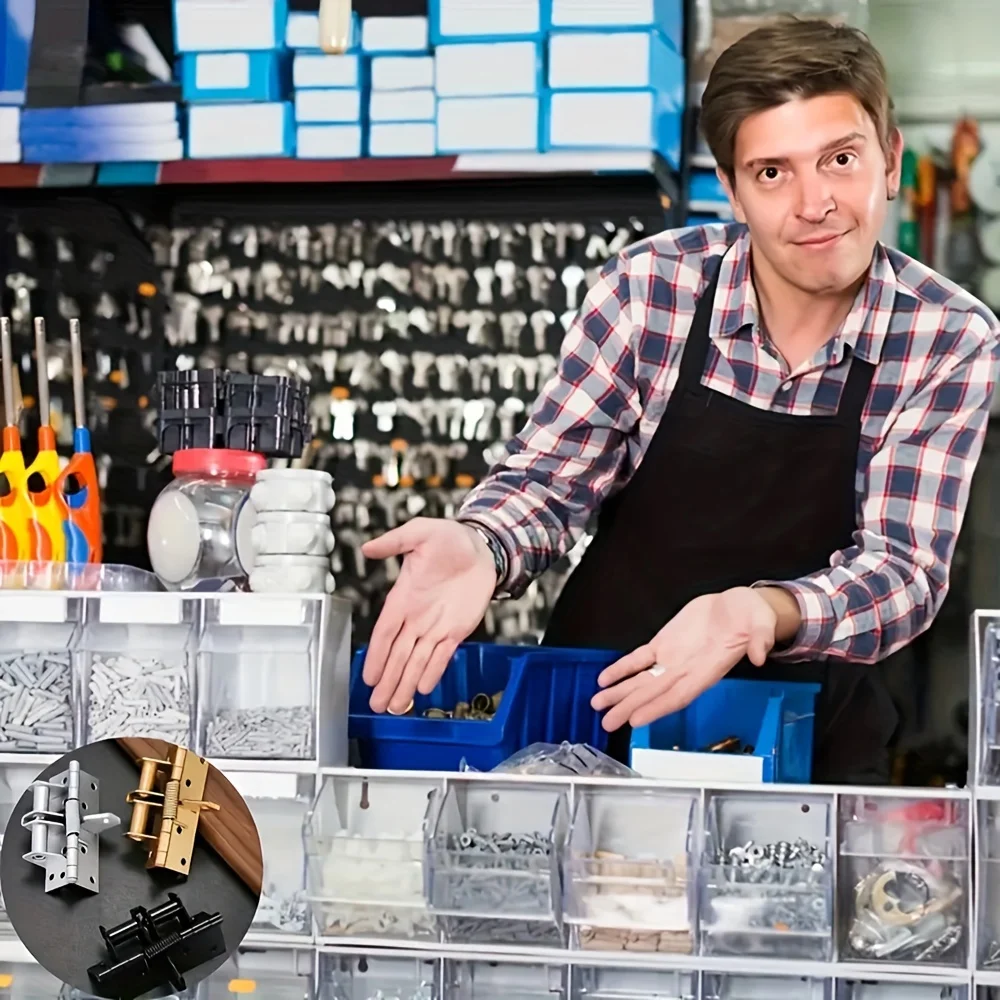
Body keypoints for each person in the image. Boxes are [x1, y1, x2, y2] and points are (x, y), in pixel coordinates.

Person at [358, 17, 1000, 783]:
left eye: (840, 159)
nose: (815, 202)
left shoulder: (947, 336)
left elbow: (902, 571)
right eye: (771, 172)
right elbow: (551, 480)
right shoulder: (650, 287)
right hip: (600, 713)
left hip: (804, 743)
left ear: (889, 160)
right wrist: (484, 544)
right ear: (728, 189)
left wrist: (756, 612)